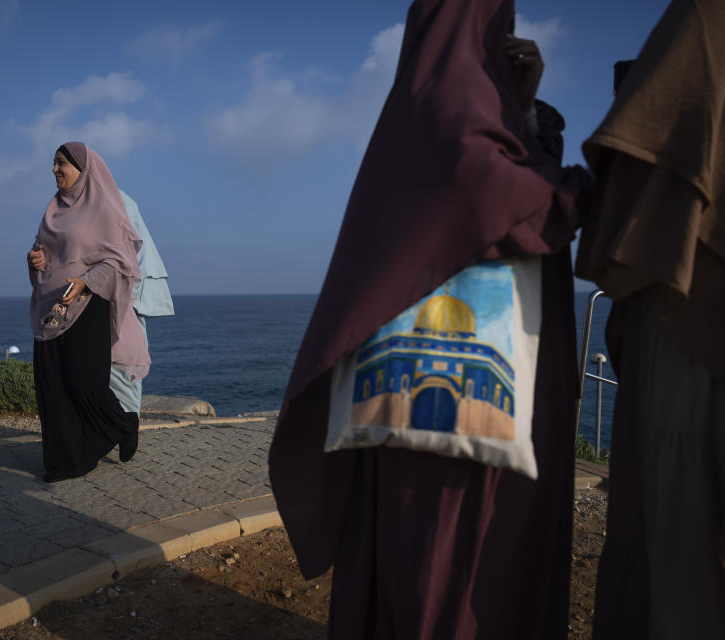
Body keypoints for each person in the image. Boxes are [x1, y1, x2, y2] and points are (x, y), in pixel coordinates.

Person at [267, 1, 592, 637]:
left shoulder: (424, 108)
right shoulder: (452, 105)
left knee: (417, 552)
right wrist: (580, 189)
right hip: (455, 430)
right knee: (450, 559)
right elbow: (501, 198)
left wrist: (523, 109)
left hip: (410, 401)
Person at [574, 0, 725, 636]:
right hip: (687, 308)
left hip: (685, 317)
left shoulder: (704, 21)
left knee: (678, 552)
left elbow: (642, 197)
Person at [27, 142, 150, 483]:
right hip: (51, 308)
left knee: (85, 383)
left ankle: (124, 425)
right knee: (53, 385)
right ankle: (66, 461)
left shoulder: (104, 210)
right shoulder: (52, 211)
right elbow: (44, 256)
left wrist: (84, 282)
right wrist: (34, 261)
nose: (55, 169)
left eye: (62, 163)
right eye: (53, 163)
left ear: (84, 170)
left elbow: (118, 262)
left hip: (88, 303)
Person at [109, 189, 174, 415]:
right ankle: (123, 429)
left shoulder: (109, 198)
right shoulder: (112, 197)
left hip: (128, 295)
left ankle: (128, 429)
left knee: (127, 367)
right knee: (125, 367)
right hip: (125, 292)